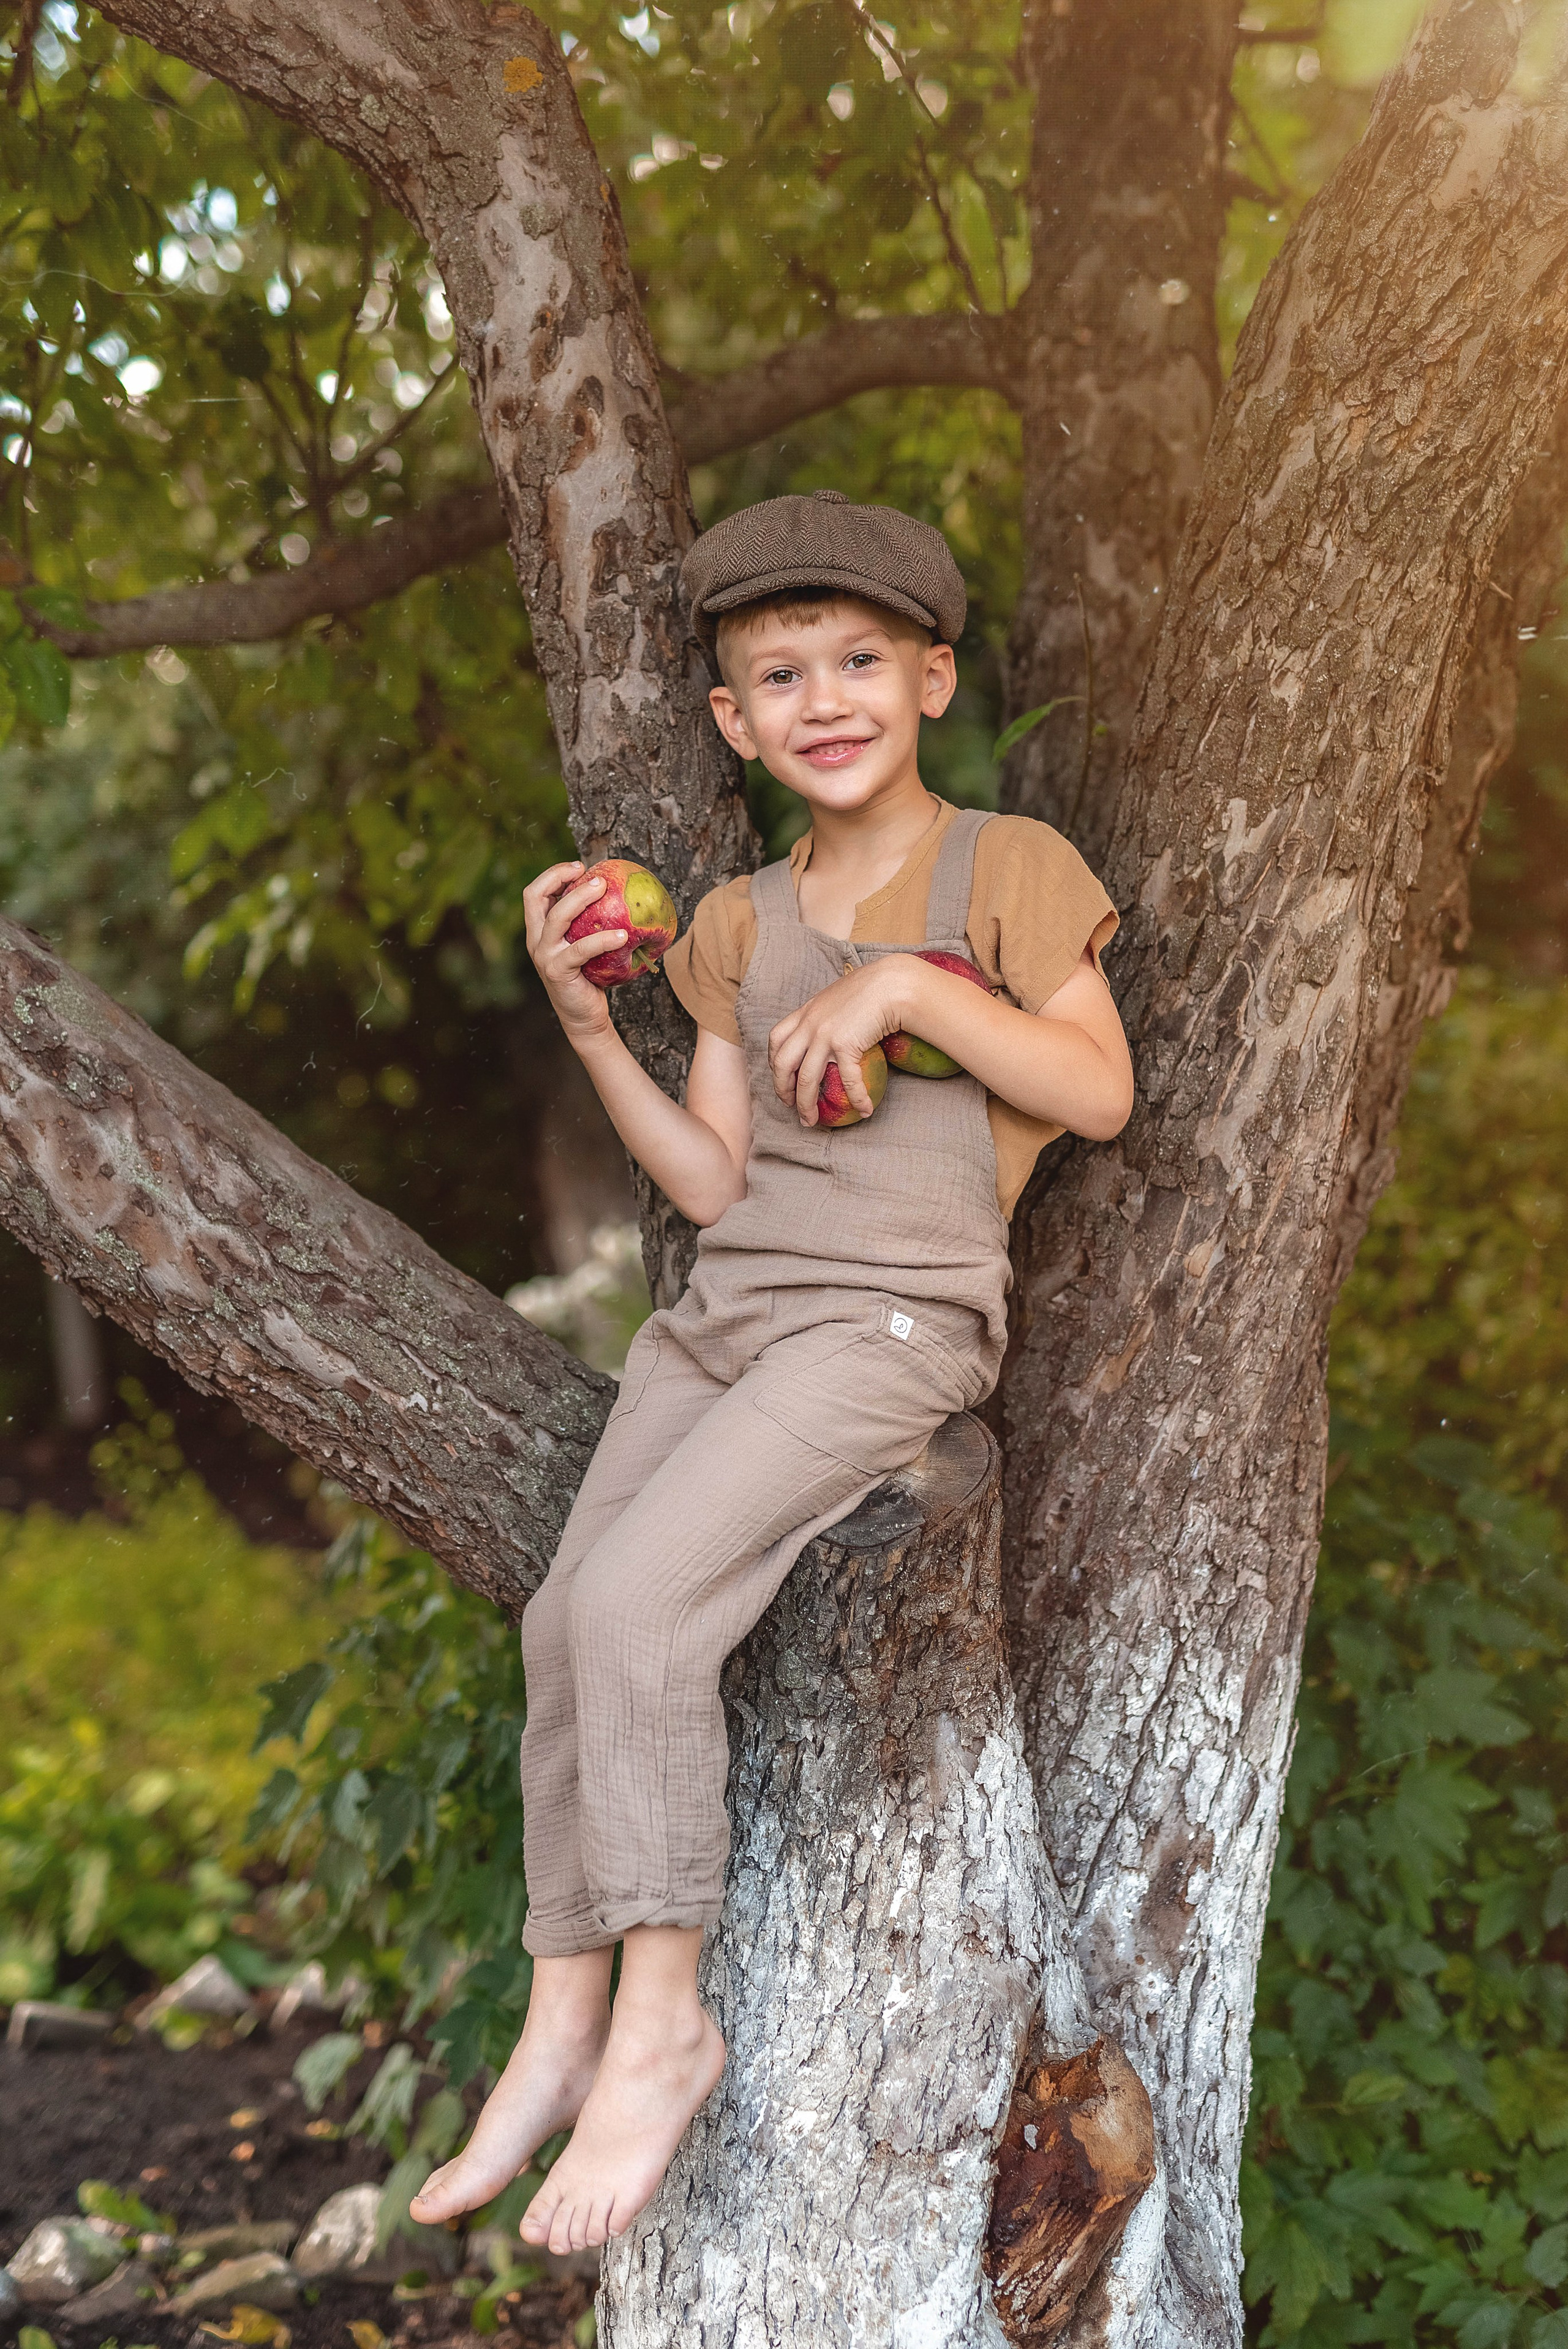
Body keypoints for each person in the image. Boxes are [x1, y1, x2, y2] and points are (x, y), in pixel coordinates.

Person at [411, 489, 1133, 2255]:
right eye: (781, 673)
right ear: (733, 720)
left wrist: (903, 985)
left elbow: (1097, 1088)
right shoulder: (731, 922)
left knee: (652, 1609)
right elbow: (721, 1182)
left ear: (932, 678)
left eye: (862, 661)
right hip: (728, 1312)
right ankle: (567, 2012)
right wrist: (594, 1020)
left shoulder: (1006, 871)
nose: (826, 697)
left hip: (890, 1319)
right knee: (569, 1610)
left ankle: (668, 2026)